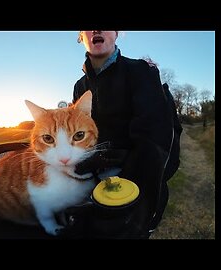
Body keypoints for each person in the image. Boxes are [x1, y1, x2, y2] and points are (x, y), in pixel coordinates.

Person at [70, 31, 175, 239]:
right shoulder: (79, 87)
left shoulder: (141, 71)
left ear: (117, 34)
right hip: (90, 186)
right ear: (81, 36)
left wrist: (137, 210)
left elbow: (155, 141)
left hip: (134, 187)